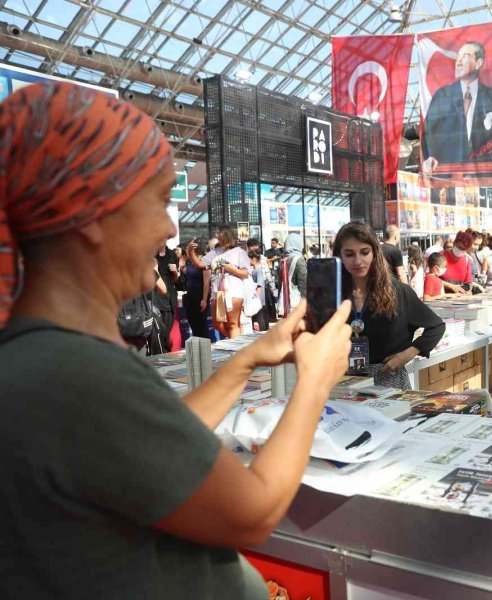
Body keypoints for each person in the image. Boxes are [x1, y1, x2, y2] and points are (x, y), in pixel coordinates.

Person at [0, 81, 353, 598]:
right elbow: (252, 511)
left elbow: (153, 445)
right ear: (96, 213)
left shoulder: (39, 359)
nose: (170, 230)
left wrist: (247, 360)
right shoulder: (79, 375)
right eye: (161, 201)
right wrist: (315, 382)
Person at [335, 222, 446, 388]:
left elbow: (436, 326)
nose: (358, 261)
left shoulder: (398, 291)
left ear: (374, 253)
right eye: (349, 254)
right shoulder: (332, 294)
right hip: (344, 380)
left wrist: (406, 355)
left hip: (388, 378)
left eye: (364, 252)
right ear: (340, 257)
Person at [421, 41, 492, 176]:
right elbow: (427, 133)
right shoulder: (442, 96)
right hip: (447, 177)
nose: (458, 62)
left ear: (478, 63)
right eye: (458, 57)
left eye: (465, 56)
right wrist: (428, 157)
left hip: (480, 176)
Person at [187, 225, 251, 339]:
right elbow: (200, 265)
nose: (216, 235)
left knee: (232, 323)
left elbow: (246, 273)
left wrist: (232, 269)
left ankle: (235, 349)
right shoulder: (215, 252)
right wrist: (191, 252)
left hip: (233, 291)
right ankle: (236, 340)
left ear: (225, 234)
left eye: (218, 233)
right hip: (217, 293)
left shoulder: (239, 252)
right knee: (217, 323)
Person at [183, 237, 211, 339]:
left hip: (200, 297)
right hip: (190, 297)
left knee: (201, 325)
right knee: (193, 323)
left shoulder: (205, 261)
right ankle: (197, 348)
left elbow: (206, 282)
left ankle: (205, 348)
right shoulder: (191, 261)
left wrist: (204, 299)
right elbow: (189, 274)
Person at [440, 230, 474, 294]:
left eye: (464, 249)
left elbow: (468, 283)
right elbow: (431, 278)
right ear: (454, 243)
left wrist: (467, 291)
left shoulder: (467, 260)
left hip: (458, 297)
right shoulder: (441, 256)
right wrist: (451, 286)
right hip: (441, 296)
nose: (461, 250)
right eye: (459, 247)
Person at [280, 232, 307, 316]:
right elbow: (303, 283)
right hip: (297, 304)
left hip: (286, 301)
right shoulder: (298, 260)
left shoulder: (283, 259)